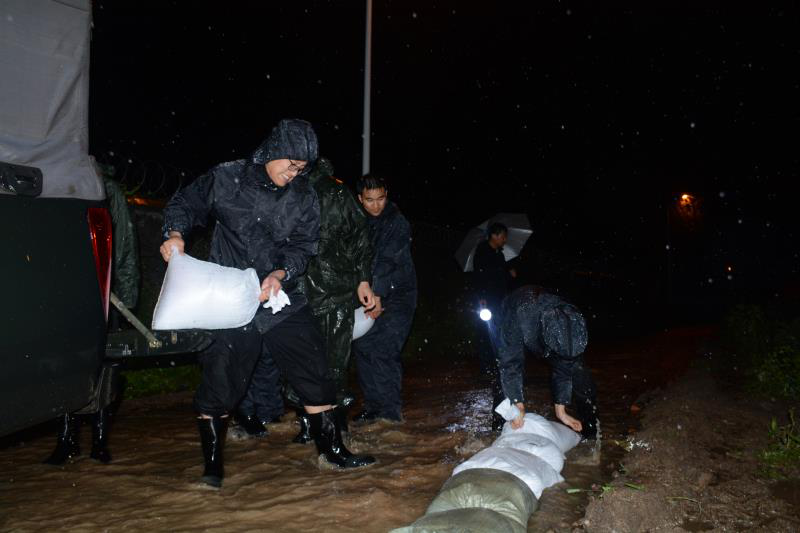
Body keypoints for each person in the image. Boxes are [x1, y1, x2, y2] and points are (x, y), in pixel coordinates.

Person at [160, 119, 374, 488]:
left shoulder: (304, 195)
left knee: (314, 368)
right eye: (290, 164)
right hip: (229, 297)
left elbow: (304, 245)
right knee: (222, 378)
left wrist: (281, 273)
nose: (294, 173)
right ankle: (212, 468)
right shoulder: (227, 178)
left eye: (302, 168)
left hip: (279, 298)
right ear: (272, 152)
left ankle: (333, 452)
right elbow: (186, 203)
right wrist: (176, 234)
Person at [238, 156, 376, 443]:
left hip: (303, 290)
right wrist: (362, 279)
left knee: (305, 362)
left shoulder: (298, 191)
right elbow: (360, 235)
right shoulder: (332, 192)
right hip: (320, 289)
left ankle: (313, 429)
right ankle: (331, 431)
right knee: (330, 363)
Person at [44, 172, 139, 465]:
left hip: (103, 292)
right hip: (65, 296)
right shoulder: (51, 182)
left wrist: (126, 300)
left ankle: (99, 441)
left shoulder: (108, 190)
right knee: (64, 363)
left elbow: (124, 248)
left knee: (104, 366)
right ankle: (66, 439)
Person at [351, 174, 417, 424]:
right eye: (369, 200)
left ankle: (390, 414)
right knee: (363, 347)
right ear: (360, 199)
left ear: (386, 195)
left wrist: (378, 294)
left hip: (399, 295)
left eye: (380, 199)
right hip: (369, 294)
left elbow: (388, 261)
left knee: (384, 350)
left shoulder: (397, 223)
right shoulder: (357, 221)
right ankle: (373, 406)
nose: (376, 205)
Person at [493, 285, 599, 440]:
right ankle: (497, 430)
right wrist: (518, 403)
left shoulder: (572, 318)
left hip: (550, 331)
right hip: (511, 318)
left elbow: (564, 365)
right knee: (504, 382)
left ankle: (591, 435)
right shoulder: (518, 316)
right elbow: (510, 363)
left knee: (581, 376)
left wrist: (561, 411)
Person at [472, 221, 516, 430]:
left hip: (501, 300)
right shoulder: (482, 252)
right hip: (487, 300)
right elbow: (479, 277)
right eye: (503, 236)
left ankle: (499, 360)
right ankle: (487, 364)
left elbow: (502, 274)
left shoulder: (499, 254)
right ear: (495, 235)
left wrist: (510, 272)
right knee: (486, 332)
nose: (505, 240)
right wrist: (481, 298)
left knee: (499, 332)